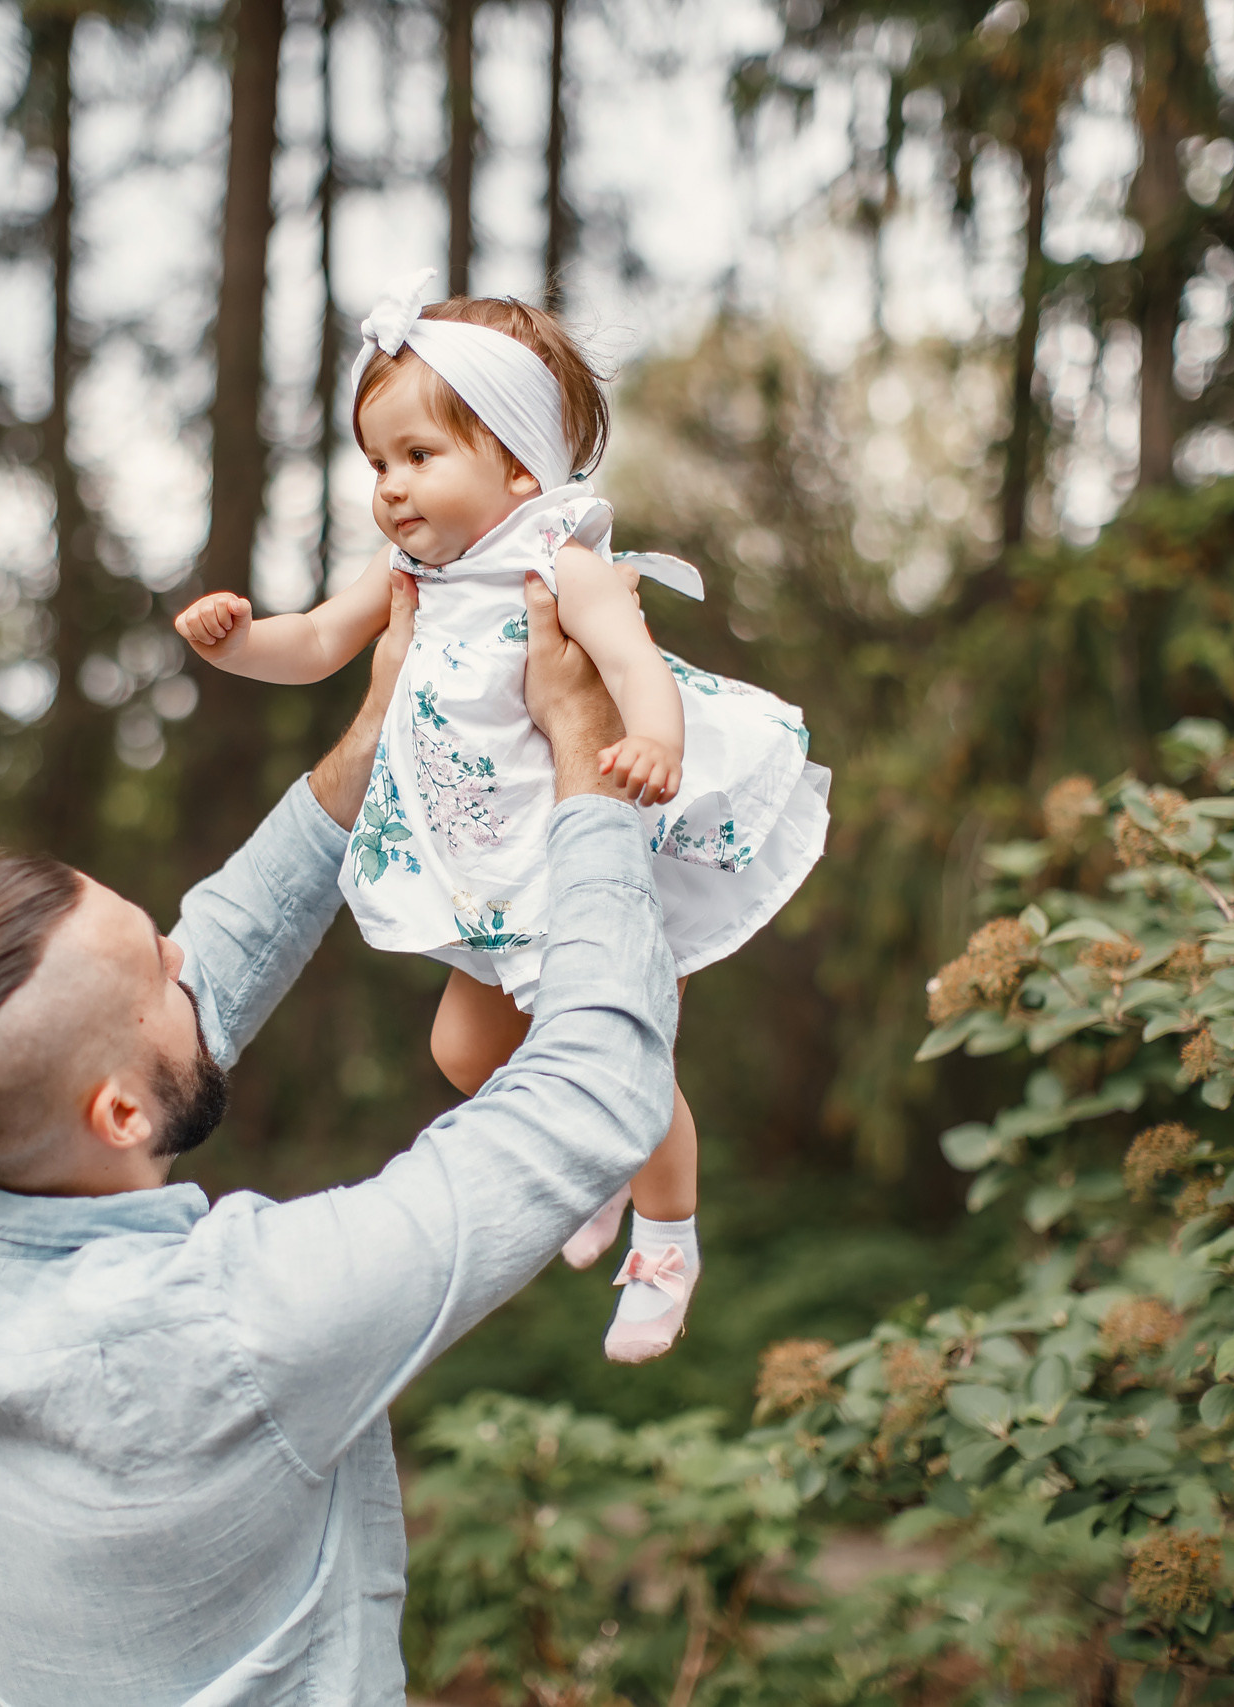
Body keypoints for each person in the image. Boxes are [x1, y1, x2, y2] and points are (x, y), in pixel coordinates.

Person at [0, 573, 679, 1707]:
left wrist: (376, 735)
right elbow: (591, 1096)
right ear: (120, 1117)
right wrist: (586, 752)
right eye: (157, 968)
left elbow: (198, 968)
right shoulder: (241, 1327)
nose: (188, 958)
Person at [172, 267, 830, 1361]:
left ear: (519, 463)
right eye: (377, 461)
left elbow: (631, 661)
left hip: (579, 859)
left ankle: (668, 1238)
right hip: (488, 871)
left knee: (627, 1060)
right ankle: (591, 1157)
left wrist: (654, 742)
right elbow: (315, 648)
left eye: (419, 457)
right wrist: (238, 641)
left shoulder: (558, 562)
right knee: (460, 1047)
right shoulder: (405, 576)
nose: (389, 487)